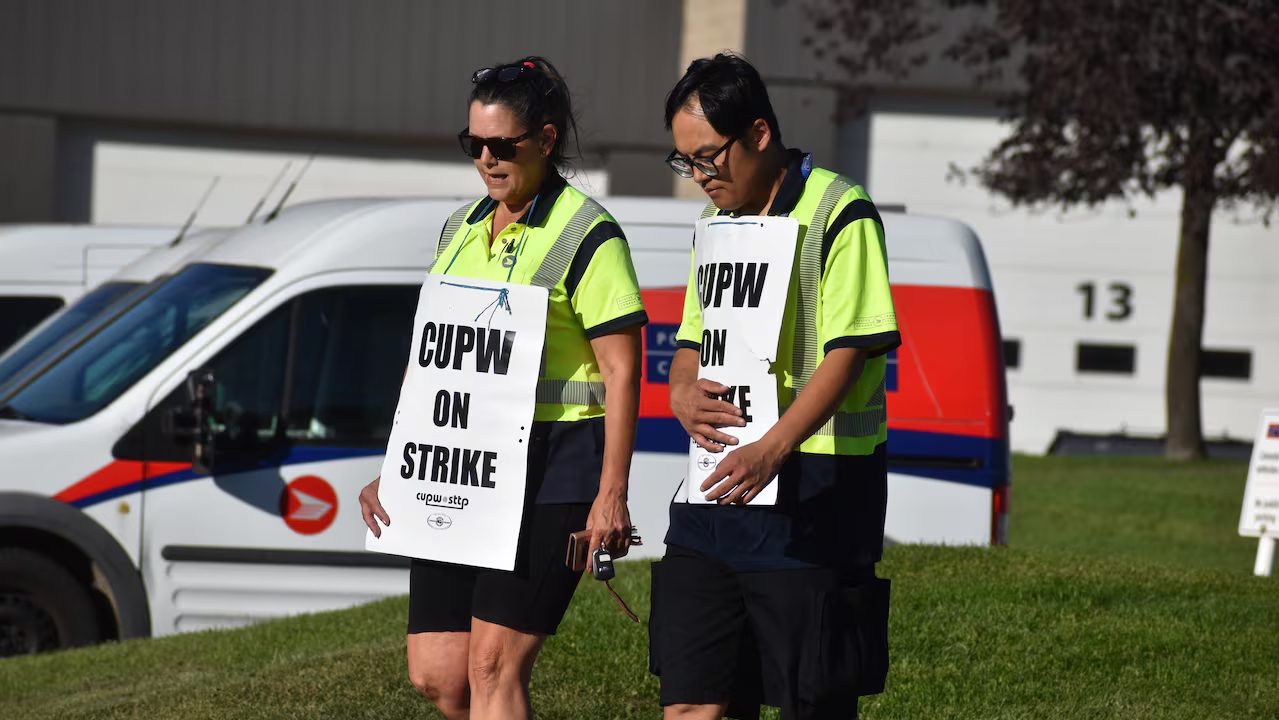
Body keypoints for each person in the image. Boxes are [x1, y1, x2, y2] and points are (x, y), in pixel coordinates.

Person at [358, 56, 646, 720]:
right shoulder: (457, 228)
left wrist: (611, 494)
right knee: (439, 677)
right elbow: (429, 361)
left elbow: (621, 371)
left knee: (492, 666)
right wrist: (397, 468)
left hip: (554, 466)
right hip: (459, 462)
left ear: (545, 140)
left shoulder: (587, 234)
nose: (487, 159)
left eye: (502, 146)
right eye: (474, 145)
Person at [648, 53, 899, 720]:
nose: (698, 176)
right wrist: (678, 393)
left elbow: (848, 350)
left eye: (708, 157)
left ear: (759, 133)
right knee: (691, 705)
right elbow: (689, 340)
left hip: (817, 492)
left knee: (810, 703)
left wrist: (774, 447)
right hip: (714, 493)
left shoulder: (839, 210)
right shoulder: (713, 226)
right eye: (684, 161)